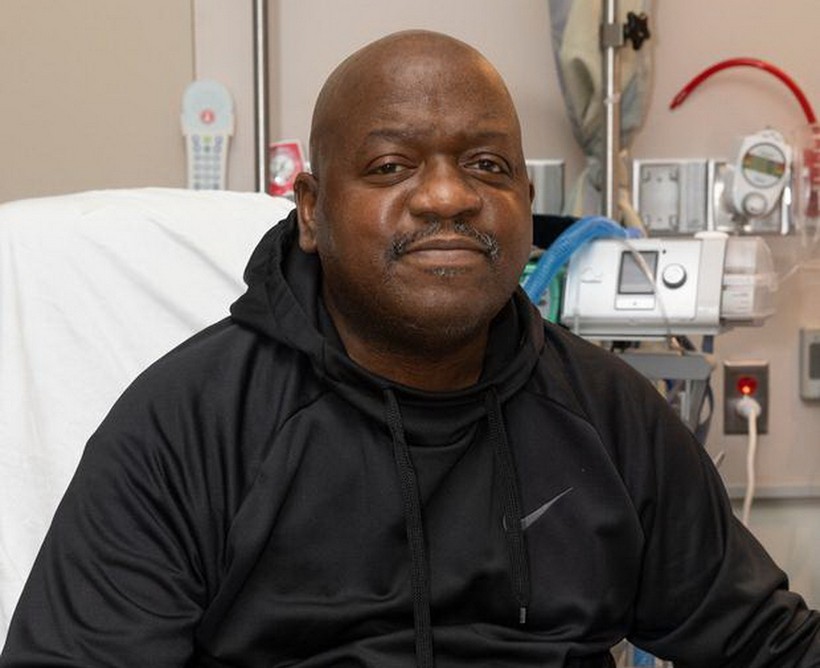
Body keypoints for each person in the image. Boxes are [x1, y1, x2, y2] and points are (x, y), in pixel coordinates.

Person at [1, 29, 818, 668]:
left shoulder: (609, 418)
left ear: (525, 200)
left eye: (487, 165)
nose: (448, 196)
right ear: (311, 211)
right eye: (392, 166)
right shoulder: (189, 426)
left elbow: (767, 643)